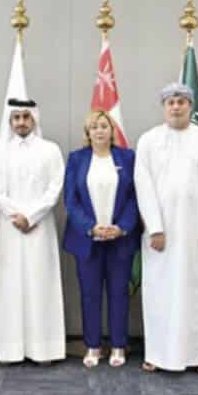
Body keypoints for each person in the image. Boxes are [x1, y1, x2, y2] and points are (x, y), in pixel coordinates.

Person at [133, 82, 198, 374]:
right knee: (159, 293)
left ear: (190, 106)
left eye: (181, 102)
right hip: (162, 234)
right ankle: (158, 354)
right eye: (171, 102)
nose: (176, 107)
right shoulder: (149, 140)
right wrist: (155, 228)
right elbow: (143, 185)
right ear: (164, 107)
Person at [0, 98, 66, 364]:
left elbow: (55, 188)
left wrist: (31, 216)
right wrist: (16, 215)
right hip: (9, 228)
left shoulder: (50, 150)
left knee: (40, 283)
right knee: (9, 286)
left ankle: (44, 349)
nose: (21, 122)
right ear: (10, 121)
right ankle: (10, 350)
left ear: (34, 119)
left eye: (26, 117)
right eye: (16, 118)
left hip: (40, 227)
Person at [63, 111, 141, 369]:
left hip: (120, 239)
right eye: (94, 127)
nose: (99, 131)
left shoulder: (127, 158)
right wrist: (90, 228)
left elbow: (134, 197)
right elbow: (71, 200)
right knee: (90, 294)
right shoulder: (77, 159)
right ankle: (93, 346)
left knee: (119, 293)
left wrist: (122, 227)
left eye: (104, 126)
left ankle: (118, 345)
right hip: (87, 241)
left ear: (112, 130)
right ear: (88, 133)